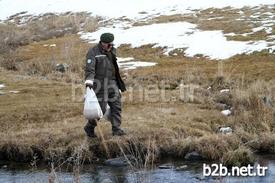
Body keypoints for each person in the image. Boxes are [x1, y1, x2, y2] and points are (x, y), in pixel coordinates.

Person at [84, 33, 126, 138]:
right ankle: (89, 127)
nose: (110, 46)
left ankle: (116, 129)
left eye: (112, 44)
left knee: (116, 106)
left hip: (113, 83)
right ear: (102, 43)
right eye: (108, 44)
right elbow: (90, 68)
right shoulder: (93, 52)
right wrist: (89, 81)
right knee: (100, 110)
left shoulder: (112, 50)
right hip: (100, 85)